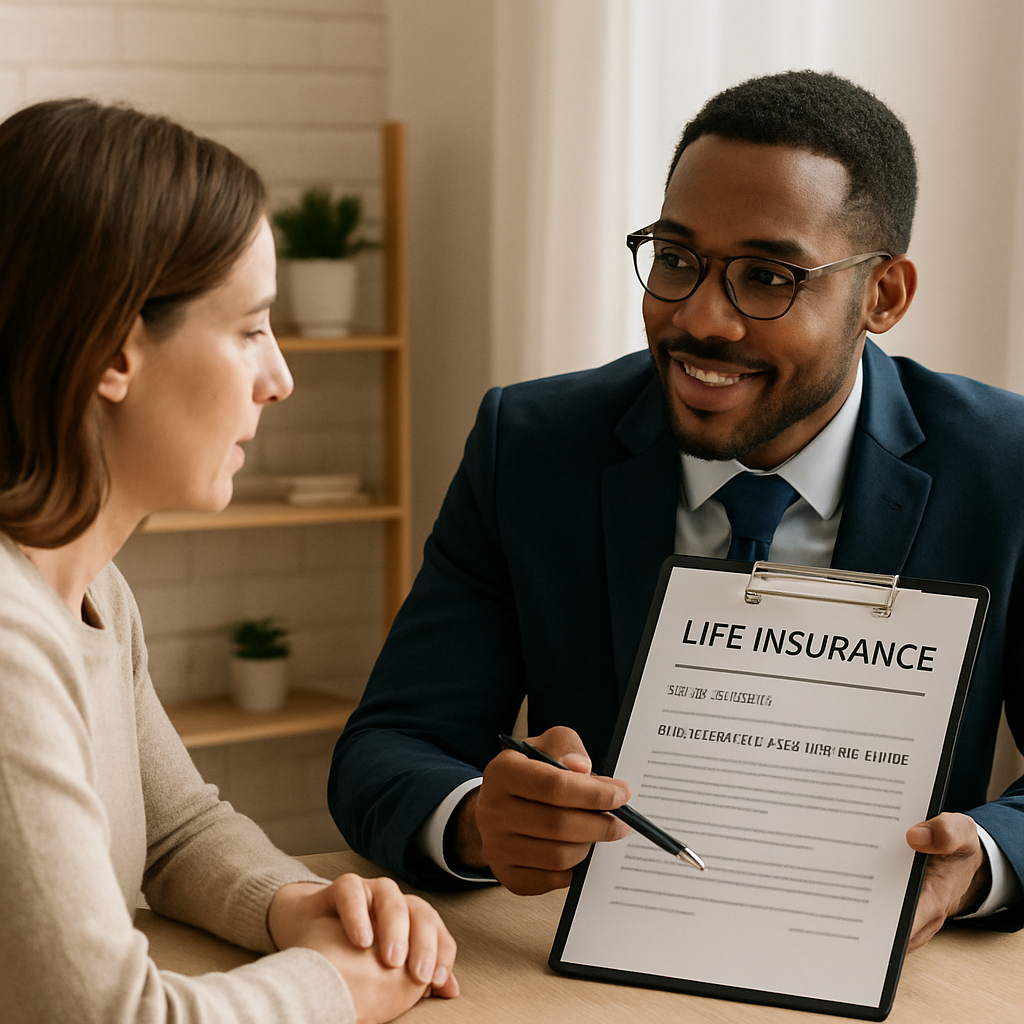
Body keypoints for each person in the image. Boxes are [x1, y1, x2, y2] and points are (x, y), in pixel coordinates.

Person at [329, 71, 1024, 950]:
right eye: (677, 258)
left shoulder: (1004, 466)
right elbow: (387, 744)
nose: (701, 319)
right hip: (587, 964)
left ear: (881, 295)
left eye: (768, 277)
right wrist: (475, 820)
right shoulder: (535, 445)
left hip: (889, 972)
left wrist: (984, 863)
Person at [0, 98, 458, 1024]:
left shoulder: (93, 592)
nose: (279, 376)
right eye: (250, 328)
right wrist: (337, 987)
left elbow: (172, 831)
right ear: (113, 353)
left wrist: (297, 904)